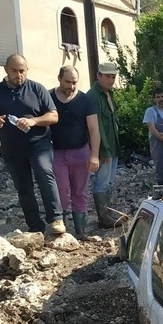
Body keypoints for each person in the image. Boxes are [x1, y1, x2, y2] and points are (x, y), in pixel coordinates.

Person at [0, 54, 65, 235]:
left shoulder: (37, 89)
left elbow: (54, 116)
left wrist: (34, 121)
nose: (19, 75)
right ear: (6, 70)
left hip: (38, 144)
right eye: (14, 71)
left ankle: (56, 219)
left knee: (44, 173)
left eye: (22, 71)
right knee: (23, 187)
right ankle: (35, 225)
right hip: (11, 148)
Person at [49, 65, 99, 239]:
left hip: (81, 152)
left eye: (74, 83)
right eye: (67, 82)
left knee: (80, 191)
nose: (71, 86)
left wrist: (94, 155)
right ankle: (60, 230)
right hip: (57, 152)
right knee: (60, 190)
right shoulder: (48, 98)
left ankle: (80, 232)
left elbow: (94, 129)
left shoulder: (85, 101)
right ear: (59, 78)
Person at [86, 61, 121, 228]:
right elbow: (96, 126)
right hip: (103, 147)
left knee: (109, 181)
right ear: (98, 76)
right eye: (108, 76)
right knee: (102, 182)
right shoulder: (92, 96)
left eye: (113, 77)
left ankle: (107, 213)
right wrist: (103, 151)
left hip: (112, 145)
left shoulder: (109, 93)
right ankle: (104, 218)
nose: (111, 80)